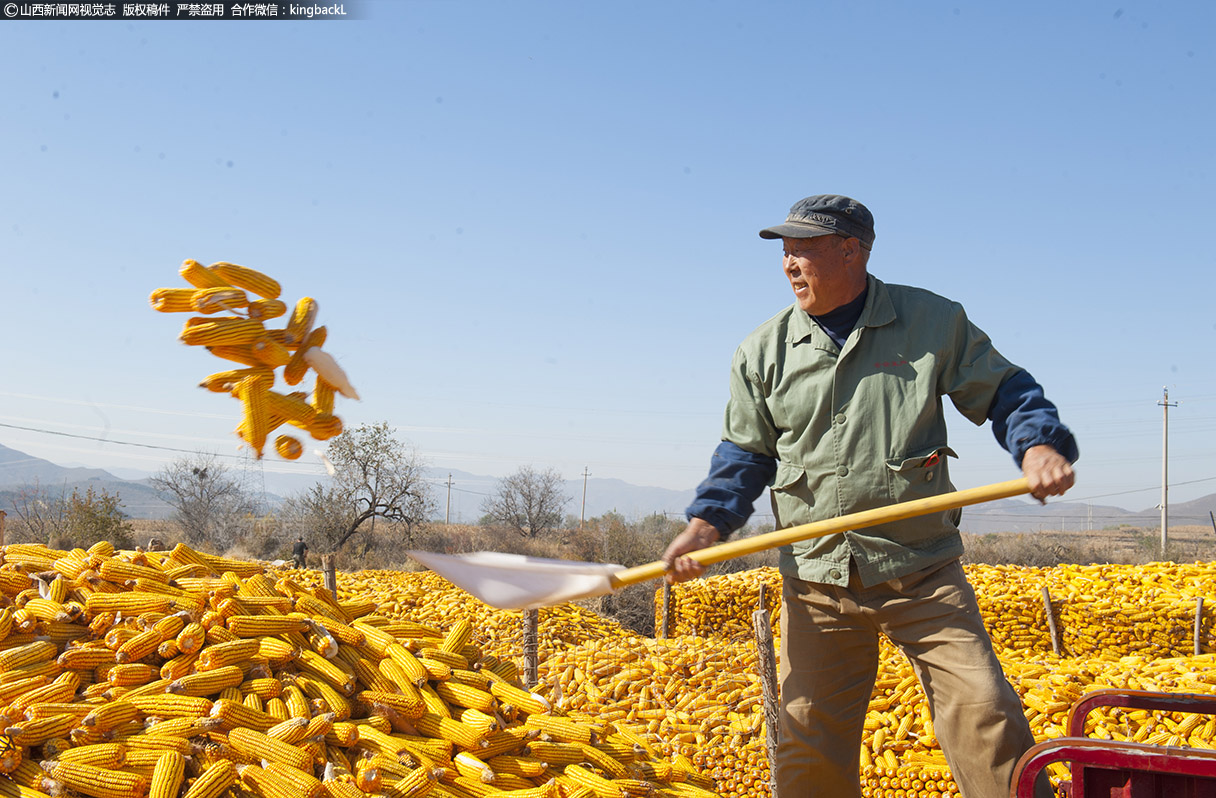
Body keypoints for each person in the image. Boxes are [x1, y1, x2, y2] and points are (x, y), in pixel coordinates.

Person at [661, 195, 1077, 798]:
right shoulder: (764, 350)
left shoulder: (931, 322)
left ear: (850, 249)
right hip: (818, 576)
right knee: (809, 741)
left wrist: (1037, 446)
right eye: (783, 253)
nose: (788, 266)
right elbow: (745, 454)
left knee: (984, 713)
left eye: (801, 250)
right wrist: (706, 524)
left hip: (921, 567)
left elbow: (1007, 391)